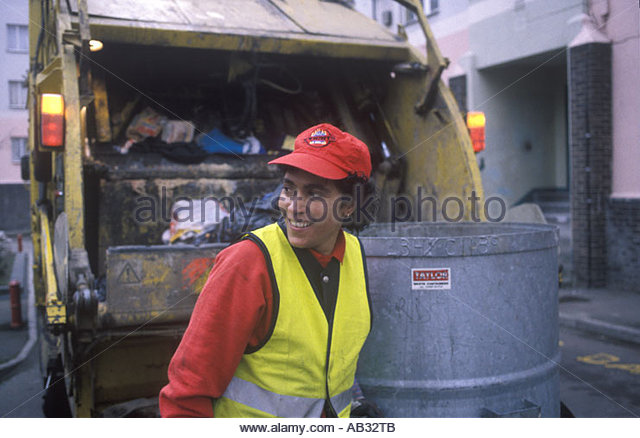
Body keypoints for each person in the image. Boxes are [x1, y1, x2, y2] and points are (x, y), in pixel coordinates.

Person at [159, 123, 376, 418]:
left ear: (349, 207)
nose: (293, 207)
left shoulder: (356, 256)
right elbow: (187, 394)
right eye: (289, 190)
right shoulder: (248, 262)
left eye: (314, 194)